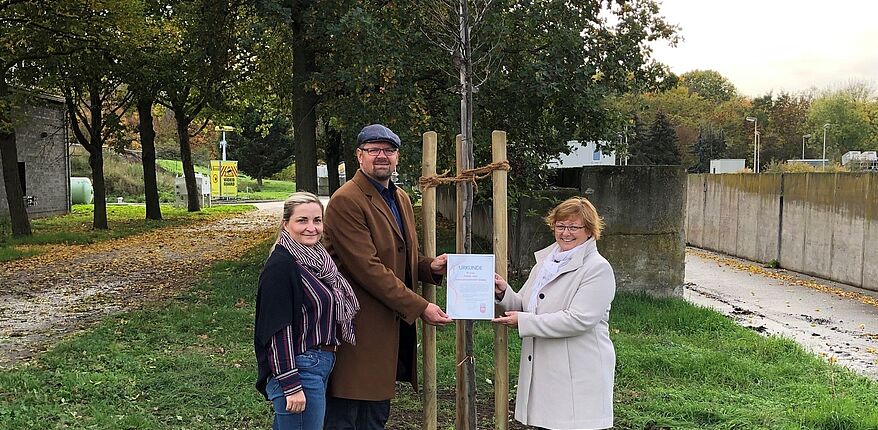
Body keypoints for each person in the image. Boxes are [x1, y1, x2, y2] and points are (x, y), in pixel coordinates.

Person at [322, 124, 452, 429]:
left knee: (375, 415)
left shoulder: (400, 197)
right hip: (357, 329)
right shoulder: (346, 200)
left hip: (384, 330)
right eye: (373, 150)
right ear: (359, 156)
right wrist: (420, 306)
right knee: (347, 414)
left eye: (389, 150)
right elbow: (367, 268)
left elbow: (397, 255)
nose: (382, 156)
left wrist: (427, 267)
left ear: (397, 157)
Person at [493, 196, 616, 430]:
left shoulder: (597, 268)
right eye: (560, 226)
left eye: (574, 227)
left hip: (578, 373)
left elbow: (579, 320)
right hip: (547, 370)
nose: (566, 233)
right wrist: (503, 293)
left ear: (590, 231)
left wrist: (525, 322)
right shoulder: (546, 263)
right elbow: (526, 305)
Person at [254, 192, 360, 430]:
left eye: (317, 220)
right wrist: (291, 385)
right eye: (302, 220)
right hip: (300, 369)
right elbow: (277, 331)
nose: (311, 227)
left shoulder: (317, 263)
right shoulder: (282, 267)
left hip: (319, 364)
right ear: (285, 224)